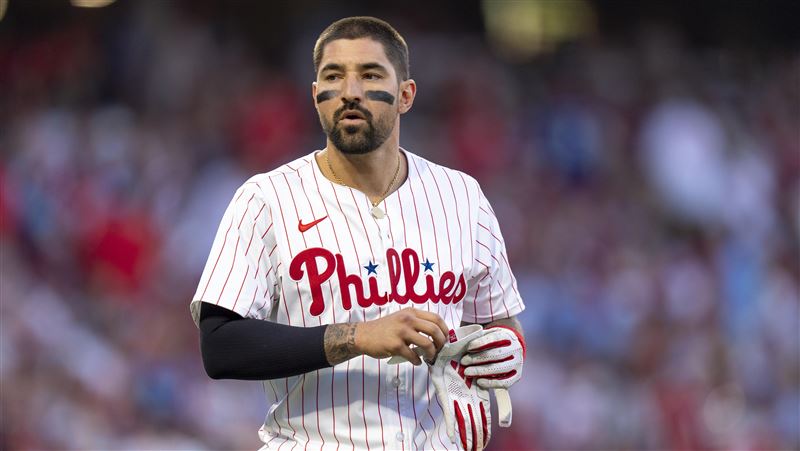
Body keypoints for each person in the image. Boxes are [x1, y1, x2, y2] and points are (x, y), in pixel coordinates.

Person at [191, 16, 526, 450]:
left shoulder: (462, 196)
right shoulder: (266, 199)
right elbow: (220, 346)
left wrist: (503, 349)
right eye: (334, 76)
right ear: (316, 96)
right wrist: (358, 336)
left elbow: (499, 322)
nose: (350, 91)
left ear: (405, 95)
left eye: (370, 75)